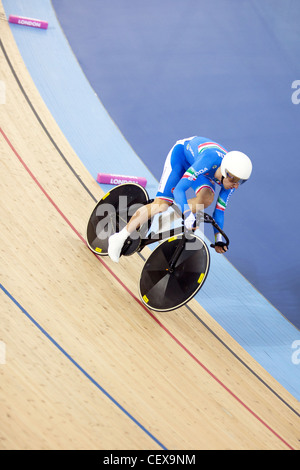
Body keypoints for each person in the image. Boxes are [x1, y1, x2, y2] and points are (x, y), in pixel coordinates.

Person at [108, 136, 252, 263]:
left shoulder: (231, 182)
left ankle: (169, 216)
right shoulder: (209, 160)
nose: (236, 186)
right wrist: (188, 215)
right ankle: (119, 238)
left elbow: (219, 212)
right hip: (181, 157)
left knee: (206, 199)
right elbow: (179, 189)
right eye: (236, 181)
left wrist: (218, 239)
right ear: (226, 172)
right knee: (161, 205)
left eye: (241, 181)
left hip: (202, 170)